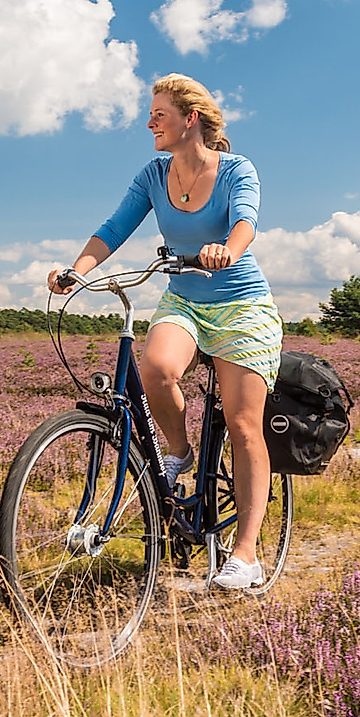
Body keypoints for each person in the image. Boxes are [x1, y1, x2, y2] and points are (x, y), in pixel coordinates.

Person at [47, 73, 282, 591]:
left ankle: (246, 554)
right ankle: (178, 450)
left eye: (159, 114)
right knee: (154, 367)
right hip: (184, 299)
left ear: (189, 119)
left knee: (244, 425)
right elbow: (114, 228)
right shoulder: (154, 174)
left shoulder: (236, 170)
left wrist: (227, 251)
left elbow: (245, 221)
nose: (149, 122)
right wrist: (77, 271)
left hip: (241, 303)